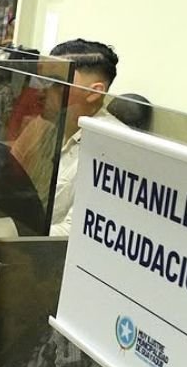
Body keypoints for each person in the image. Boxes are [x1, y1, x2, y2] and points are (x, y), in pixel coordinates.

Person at [13, 39, 124, 236]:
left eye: (56, 83)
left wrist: (11, 233)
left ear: (93, 93)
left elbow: (77, 232)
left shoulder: (111, 149)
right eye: (43, 80)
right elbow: (7, 181)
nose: (41, 91)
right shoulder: (43, 125)